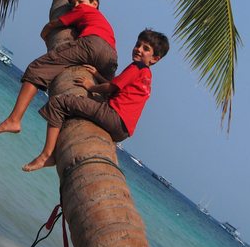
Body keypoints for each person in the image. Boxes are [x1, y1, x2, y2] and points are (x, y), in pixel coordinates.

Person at [22, 29, 169, 171]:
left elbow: (111, 88)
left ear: (155, 58)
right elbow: (118, 89)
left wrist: (90, 86)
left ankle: (47, 155)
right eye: (138, 45)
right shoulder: (146, 76)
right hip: (122, 131)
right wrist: (98, 75)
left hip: (113, 116)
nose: (138, 49)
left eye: (146, 49)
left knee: (58, 103)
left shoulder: (136, 68)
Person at [0, 0, 117, 136]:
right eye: (73, 4)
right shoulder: (103, 21)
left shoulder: (84, 10)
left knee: (37, 68)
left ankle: (14, 120)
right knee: (106, 95)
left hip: (92, 45)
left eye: (80, 1)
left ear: (94, 4)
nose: (76, 6)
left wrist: (44, 34)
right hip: (111, 56)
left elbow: (54, 24)